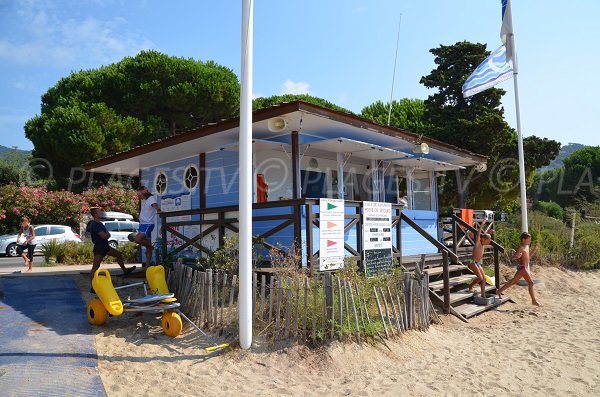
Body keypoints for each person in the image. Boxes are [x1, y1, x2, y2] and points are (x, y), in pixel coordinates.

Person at [88, 207, 136, 292]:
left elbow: (108, 235)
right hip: (99, 247)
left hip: (105, 246)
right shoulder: (95, 224)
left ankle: (125, 271)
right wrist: (106, 235)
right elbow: (104, 236)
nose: (102, 213)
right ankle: (92, 287)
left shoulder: (100, 224)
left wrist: (106, 235)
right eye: (99, 212)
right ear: (95, 214)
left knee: (119, 254)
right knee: (95, 267)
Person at [497, 232, 541, 306]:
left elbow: (528, 257)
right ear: (523, 239)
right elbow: (513, 258)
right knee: (531, 283)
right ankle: (534, 301)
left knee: (514, 281)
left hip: (523, 267)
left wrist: (535, 249)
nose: (530, 241)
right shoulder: (521, 248)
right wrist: (517, 256)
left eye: (530, 239)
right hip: (522, 267)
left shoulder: (527, 247)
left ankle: (499, 291)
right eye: (529, 240)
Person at [134, 185, 161, 268]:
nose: (139, 197)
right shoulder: (146, 200)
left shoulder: (151, 199)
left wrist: (159, 210)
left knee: (137, 239)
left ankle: (150, 244)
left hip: (147, 224)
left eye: (139, 195)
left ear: (143, 192)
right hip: (143, 225)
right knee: (148, 250)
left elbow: (155, 205)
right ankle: (147, 266)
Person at [467, 219, 492, 297]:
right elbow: (478, 233)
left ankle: (483, 295)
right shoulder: (478, 242)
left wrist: (490, 233)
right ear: (483, 239)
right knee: (480, 278)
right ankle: (470, 286)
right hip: (472, 261)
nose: (488, 243)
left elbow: (486, 235)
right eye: (488, 241)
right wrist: (482, 224)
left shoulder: (483, 244)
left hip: (477, 263)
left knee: (484, 279)